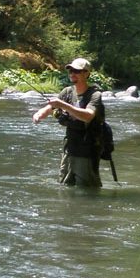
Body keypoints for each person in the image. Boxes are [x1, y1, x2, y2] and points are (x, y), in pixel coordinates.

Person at [32, 57, 105, 187]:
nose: (72, 74)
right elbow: (51, 106)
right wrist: (40, 114)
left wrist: (63, 105)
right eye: (70, 71)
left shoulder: (94, 95)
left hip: (87, 149)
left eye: (76, 71)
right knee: (65, 185)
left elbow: (88, 116)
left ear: (86, 73)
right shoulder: (67, 92)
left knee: (87, 189)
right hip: (69, 147)